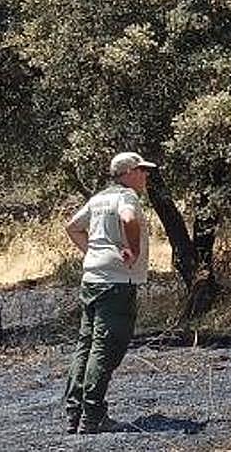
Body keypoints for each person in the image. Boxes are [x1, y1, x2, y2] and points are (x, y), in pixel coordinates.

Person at [63, 151, 155, 433]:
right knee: (106, 346)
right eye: (140, 170)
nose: (145, 175)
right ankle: (93, 416)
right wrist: (133, 250)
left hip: (92, 278)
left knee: (86, 343)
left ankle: (73, 413)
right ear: (127, 173)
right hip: (117, 282)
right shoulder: (127, 197)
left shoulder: (99, 198)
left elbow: (72, 227)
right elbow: (128, 219)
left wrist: (94, 252)